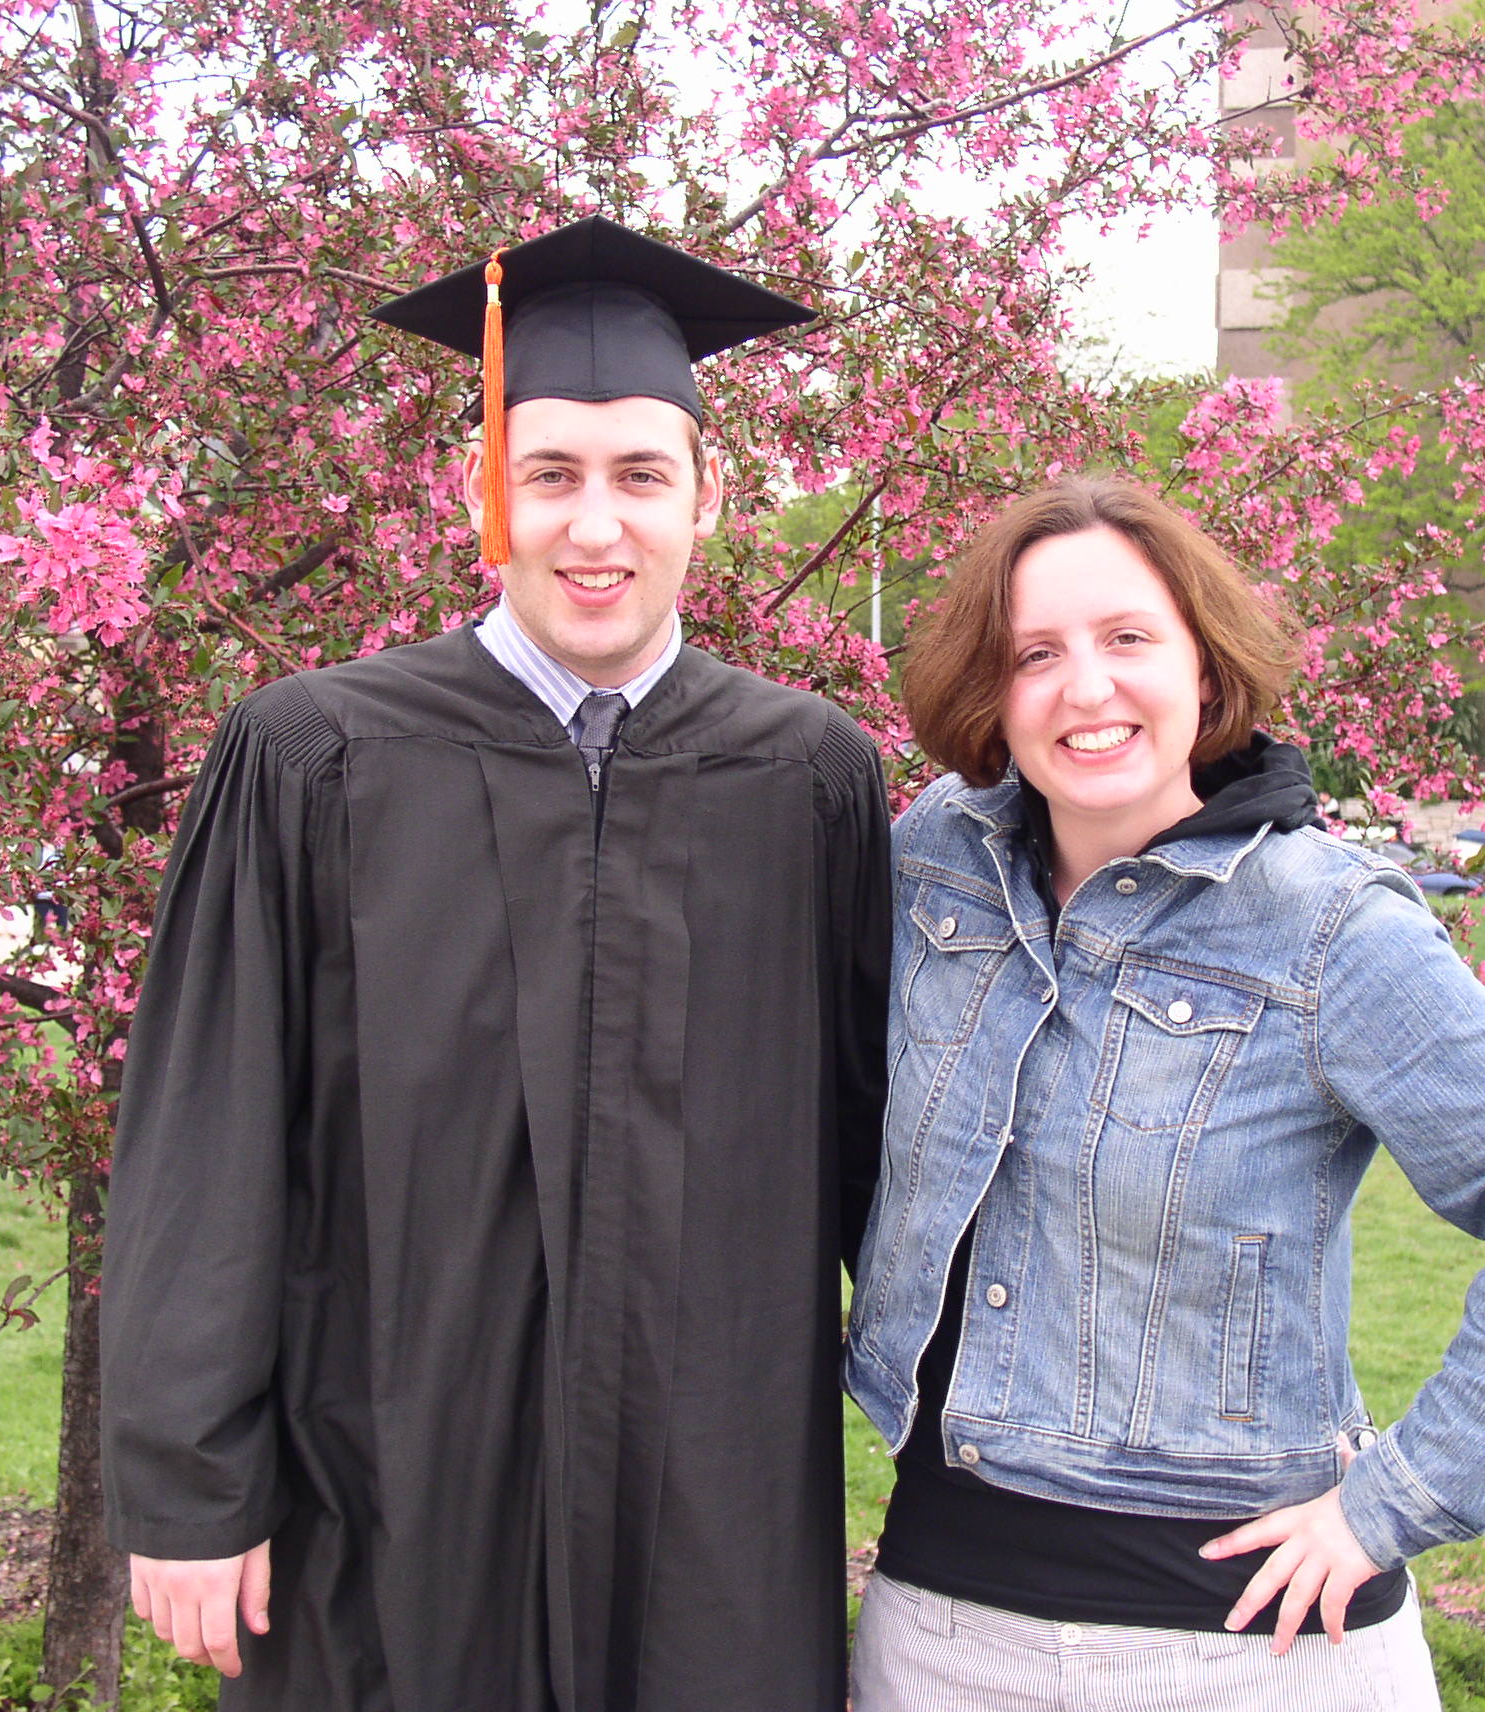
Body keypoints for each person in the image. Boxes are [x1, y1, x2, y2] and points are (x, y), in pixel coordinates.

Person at [101, 216, 892, 1712]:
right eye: (553, 476)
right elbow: (204, 1134)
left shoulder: (807, 780)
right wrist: (193, 1483)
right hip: (387, 1469)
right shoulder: (313, 753)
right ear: (486, 491)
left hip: (710, 1479)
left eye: (641, 477)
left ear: (709, 495)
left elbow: (884, 1139)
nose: (597, 528)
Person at [844, 478, 1485, 1711]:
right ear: (988, 693)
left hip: (1244, 1652)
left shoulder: (1324, 927)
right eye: (1035, 654)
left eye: (1128, 639)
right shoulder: (931, 867)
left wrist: (1393, 1502)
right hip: (944, 1629)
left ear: (1205, 671)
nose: (1085, 687)